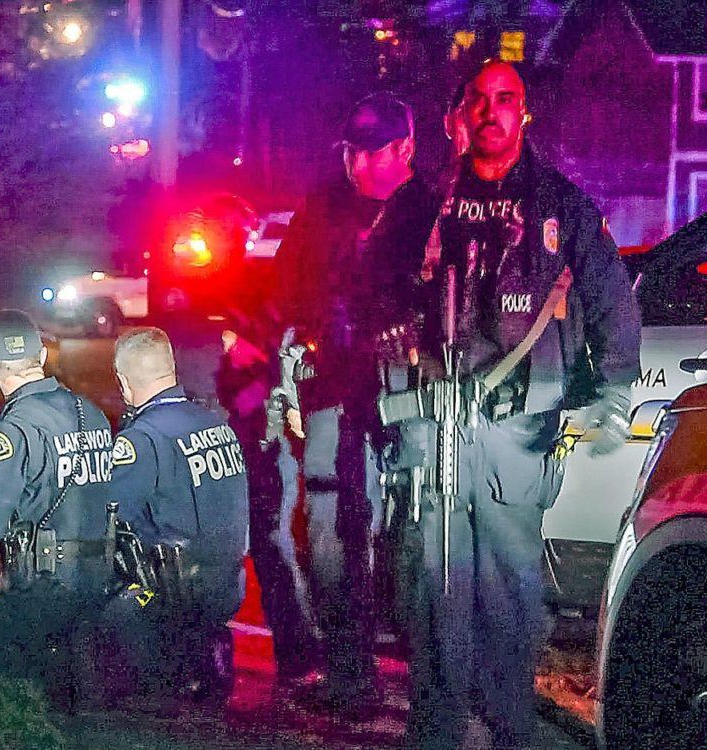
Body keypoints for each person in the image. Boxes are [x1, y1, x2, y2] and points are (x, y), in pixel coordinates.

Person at [401, 60, 641, 749]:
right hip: (434, 427)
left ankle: (509, 725)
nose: (491, 111)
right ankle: (438, 727)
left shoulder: (560, 206)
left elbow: (612, 304)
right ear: (462, 112)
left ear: (524, 113)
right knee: (435, 584)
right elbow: (374, 292)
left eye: (505, 99)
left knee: (509, 590)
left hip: (518, 431)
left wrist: (614, 390)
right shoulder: (426, 203)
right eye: (478, 99)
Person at [273, 93, 439, 716]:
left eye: (371, 151)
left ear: (406, 149)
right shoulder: (321, 206)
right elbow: (286, 289)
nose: (358, 163)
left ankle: (430, 684)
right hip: (331, 389)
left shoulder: (434, 211)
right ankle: (348, 672)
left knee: (414, 538)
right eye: (351, 151)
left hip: (408, 398)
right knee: (328, 532)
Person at [0, 310, 114, 702]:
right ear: (42, 357)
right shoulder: (91, 413)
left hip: (40, 590)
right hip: (98, 582)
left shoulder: (13, 429)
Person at [104, 327, 250, 703]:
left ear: (123, 380)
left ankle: (161, 674)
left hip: (171, 594)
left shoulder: (143, 439)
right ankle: (202, 653)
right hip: (227, 587)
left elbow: (105, 513)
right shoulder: (217, 424)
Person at [215, 311, 316, 687]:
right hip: (261, 478)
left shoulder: (262, 381)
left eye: (231, 340)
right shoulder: (252, 376)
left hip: (268, 480)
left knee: (277, 562)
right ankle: (296, 654)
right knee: (273, 563)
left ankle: (299, 653)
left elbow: (261, 427)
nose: (225, 348)